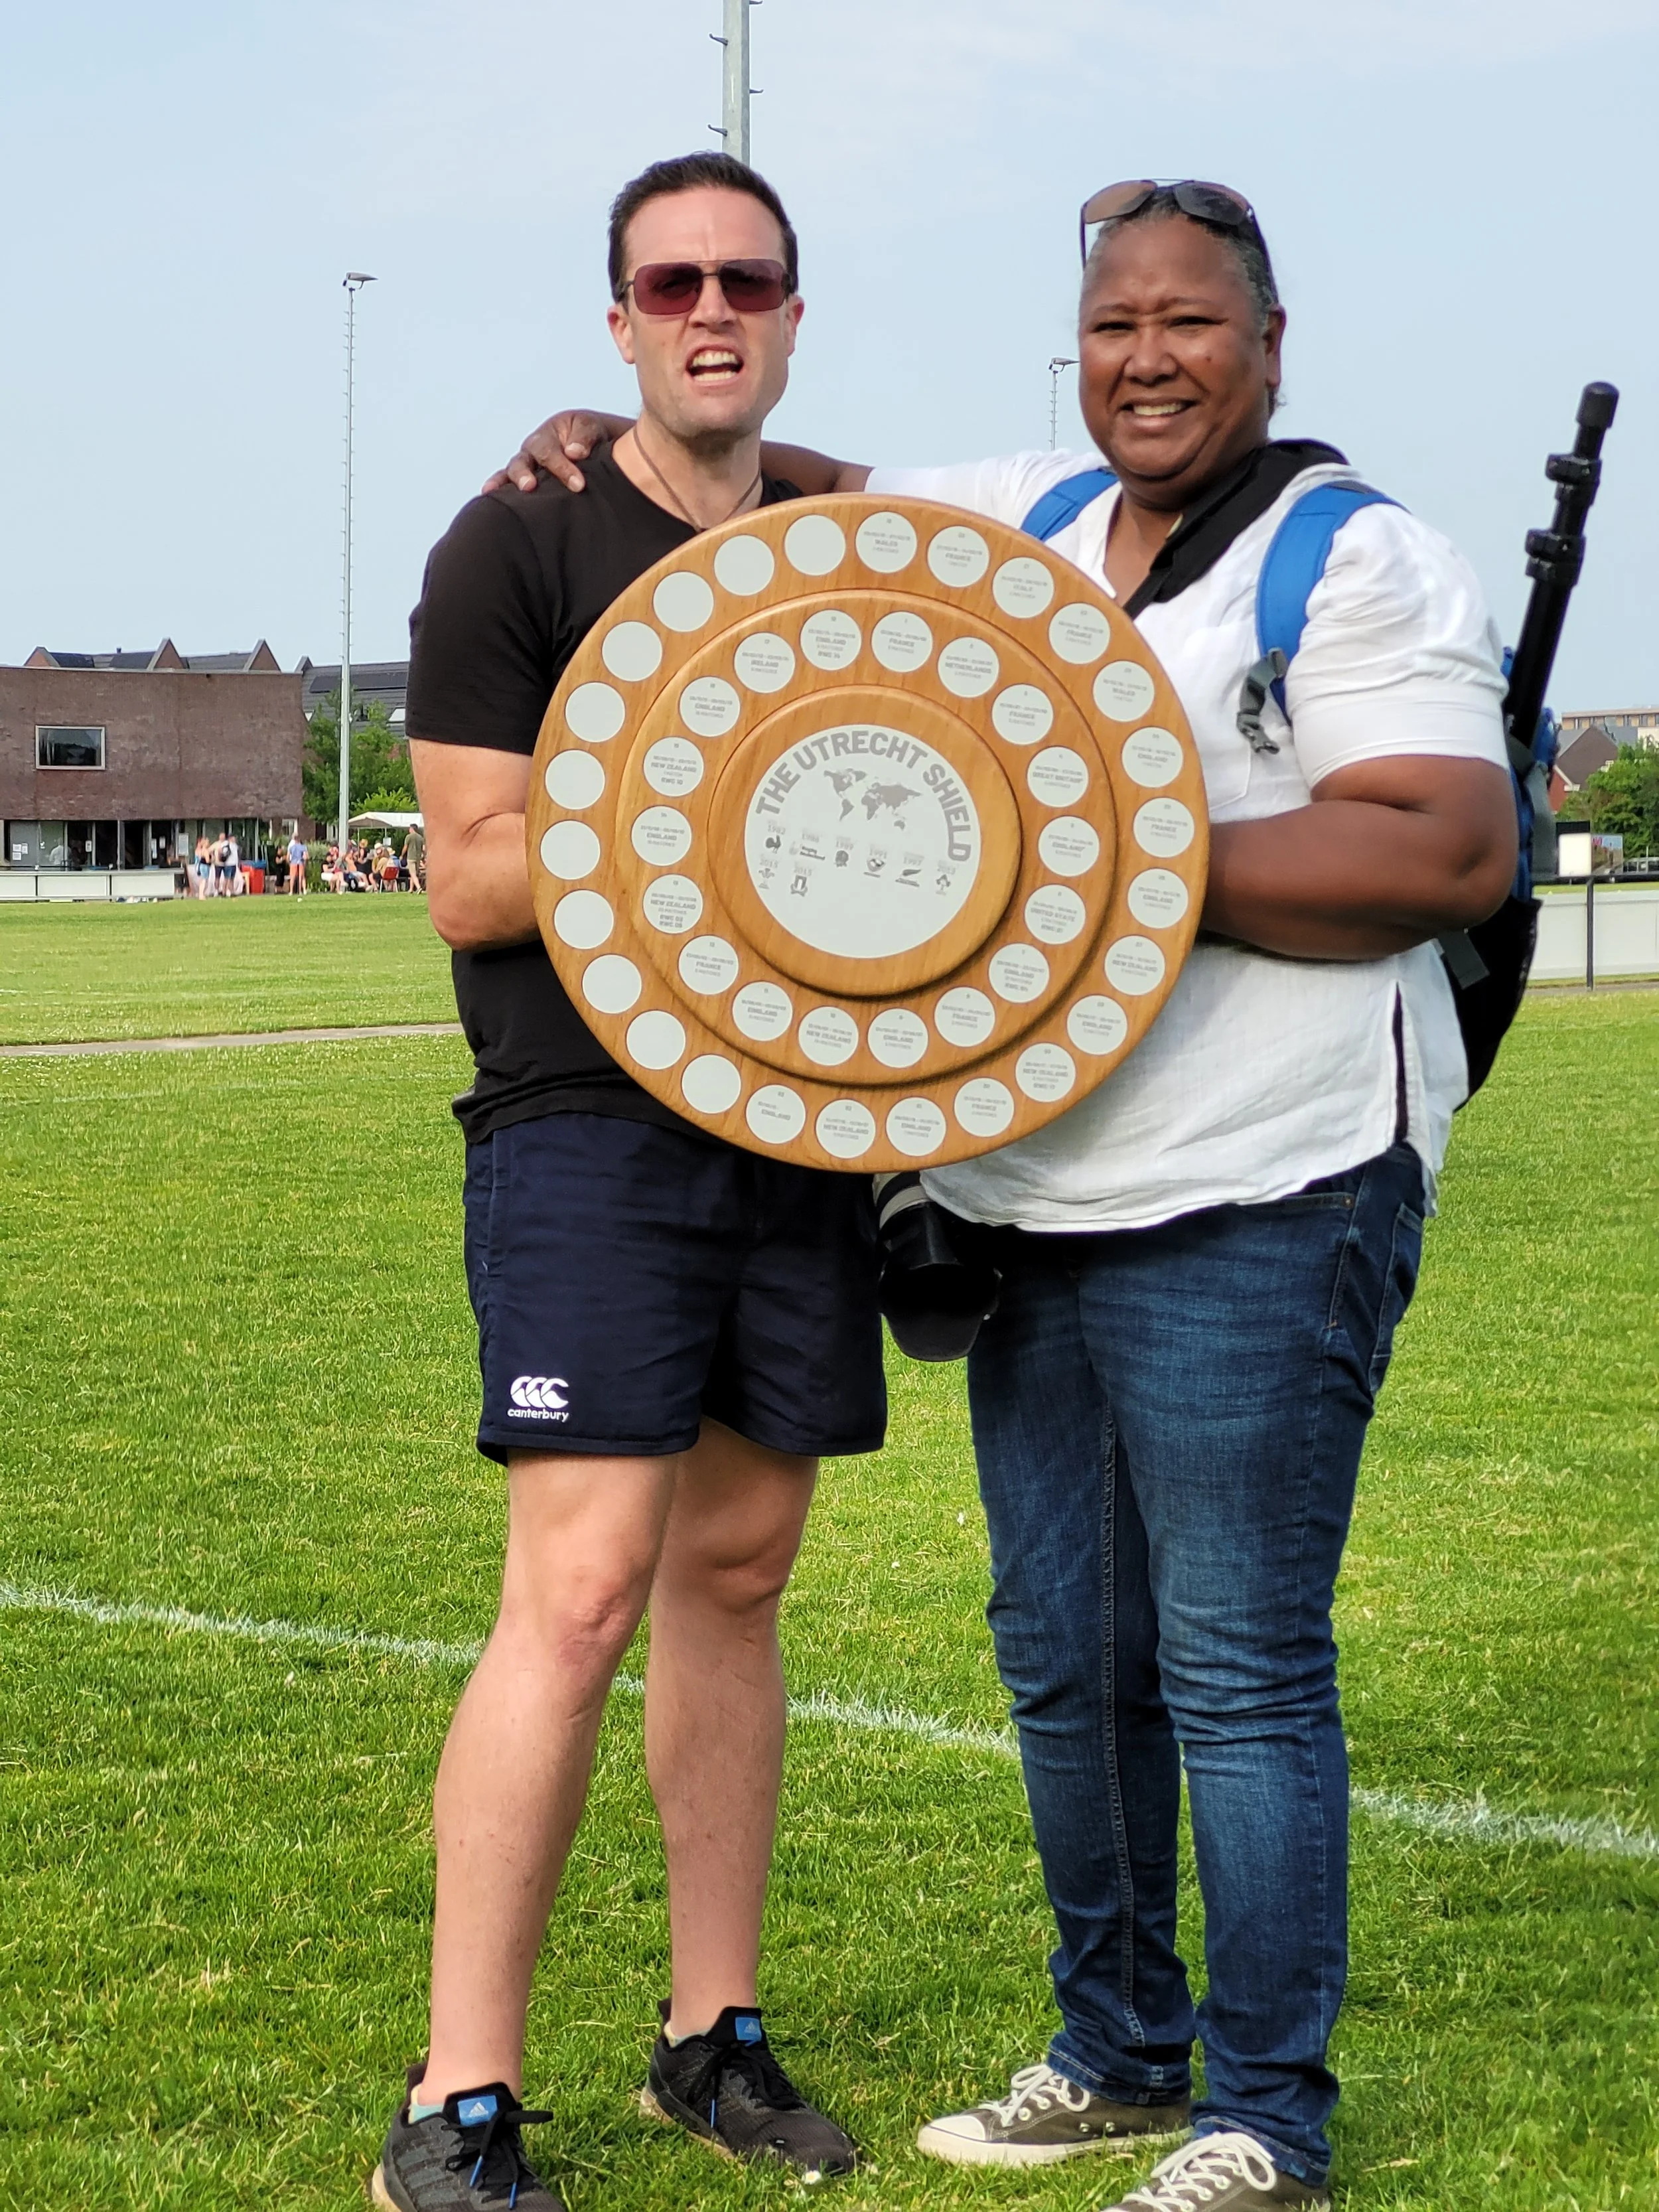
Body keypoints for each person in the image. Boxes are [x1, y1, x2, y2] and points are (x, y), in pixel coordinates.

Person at [504, 180, 1517, 2211]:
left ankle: (1264, 2117)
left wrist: (1076, 872)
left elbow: (1441, 850)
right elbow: (804, 483)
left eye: (1186, 323)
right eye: (1109, 323)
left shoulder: (1353, 559)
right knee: (1061, 1651)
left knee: (1232, 1660)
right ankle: (1115, 2048)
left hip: (1266, 1181)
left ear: (1266, 340)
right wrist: (592, 447)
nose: (1144, 356)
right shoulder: (1033, 520)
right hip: (1025, 1195)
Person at [378, 151, 885, 2212]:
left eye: (745, 280)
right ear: (613, 317)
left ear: (786, 308)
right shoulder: (509, 544)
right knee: (576, 1593)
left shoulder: (841, 533)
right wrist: (695, 784)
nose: (708, 307)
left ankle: (709, 2035)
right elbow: (472, 881)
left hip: (795, 1124)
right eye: (668, 279)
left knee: (738, 1577)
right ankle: (456, 2104)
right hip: (585, 1121)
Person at [287, 830, 307, 895]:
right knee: (302, 877)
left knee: (292, 877)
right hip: (300, 862)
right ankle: (302, 891)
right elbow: (306, 856)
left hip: (293, 862)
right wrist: (305, 863)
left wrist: (289, 863)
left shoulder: (291, 847)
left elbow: (288, 857)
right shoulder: (303, 847)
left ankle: (291, 891)